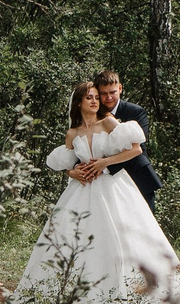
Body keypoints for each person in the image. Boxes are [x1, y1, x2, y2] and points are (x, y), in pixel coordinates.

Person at [9, 78, 180, 304]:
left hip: (113, 186)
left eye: (97, 97)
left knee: (123, 239)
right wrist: (74, 173)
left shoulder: (109, 122)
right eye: (90, 98)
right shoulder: (72, 133)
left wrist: (105, 162)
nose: (96, 101)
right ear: (79, 102)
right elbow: (69, 162)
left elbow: (135, 150)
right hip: (82, 191)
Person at [68, 67, 160, 207]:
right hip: (103, 183)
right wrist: (76, 170)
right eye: (103, 94)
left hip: (136, 177)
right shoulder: (93, 115)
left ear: (120, 88)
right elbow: (82, 148)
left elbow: (137, 148)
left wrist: (104, 164)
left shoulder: (135, 112)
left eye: (112, 92)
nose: (108, 97)